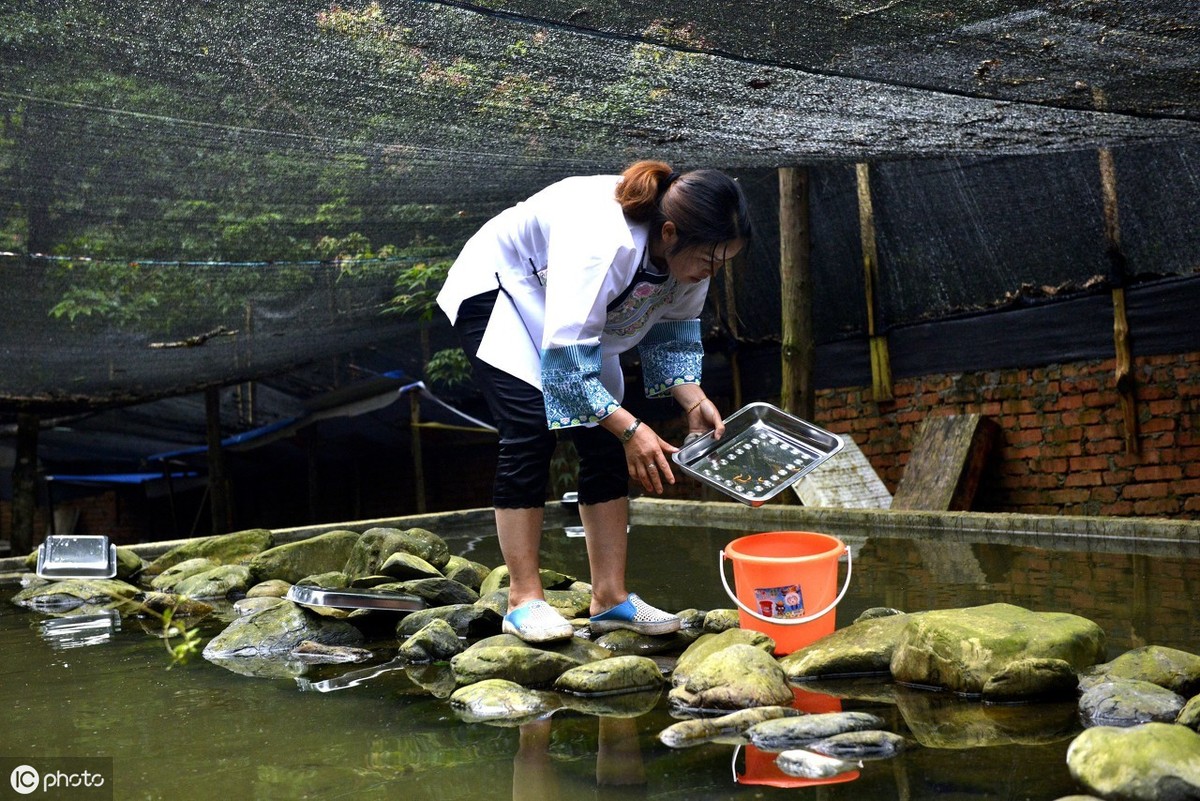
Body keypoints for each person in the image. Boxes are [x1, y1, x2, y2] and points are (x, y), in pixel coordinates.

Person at [437, 160, 752, 643]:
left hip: (571, 317)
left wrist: (693, 400)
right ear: (669, 233)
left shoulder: (693, 253)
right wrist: (632, 429)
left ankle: (610, 599)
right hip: (504, 284)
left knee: (605, 440)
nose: (712, 271)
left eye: (721, 263)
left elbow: (671, 334)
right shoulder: (603, 239)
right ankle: (523, 598)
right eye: (710, 261)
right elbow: (566, 367)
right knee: (529, 428)